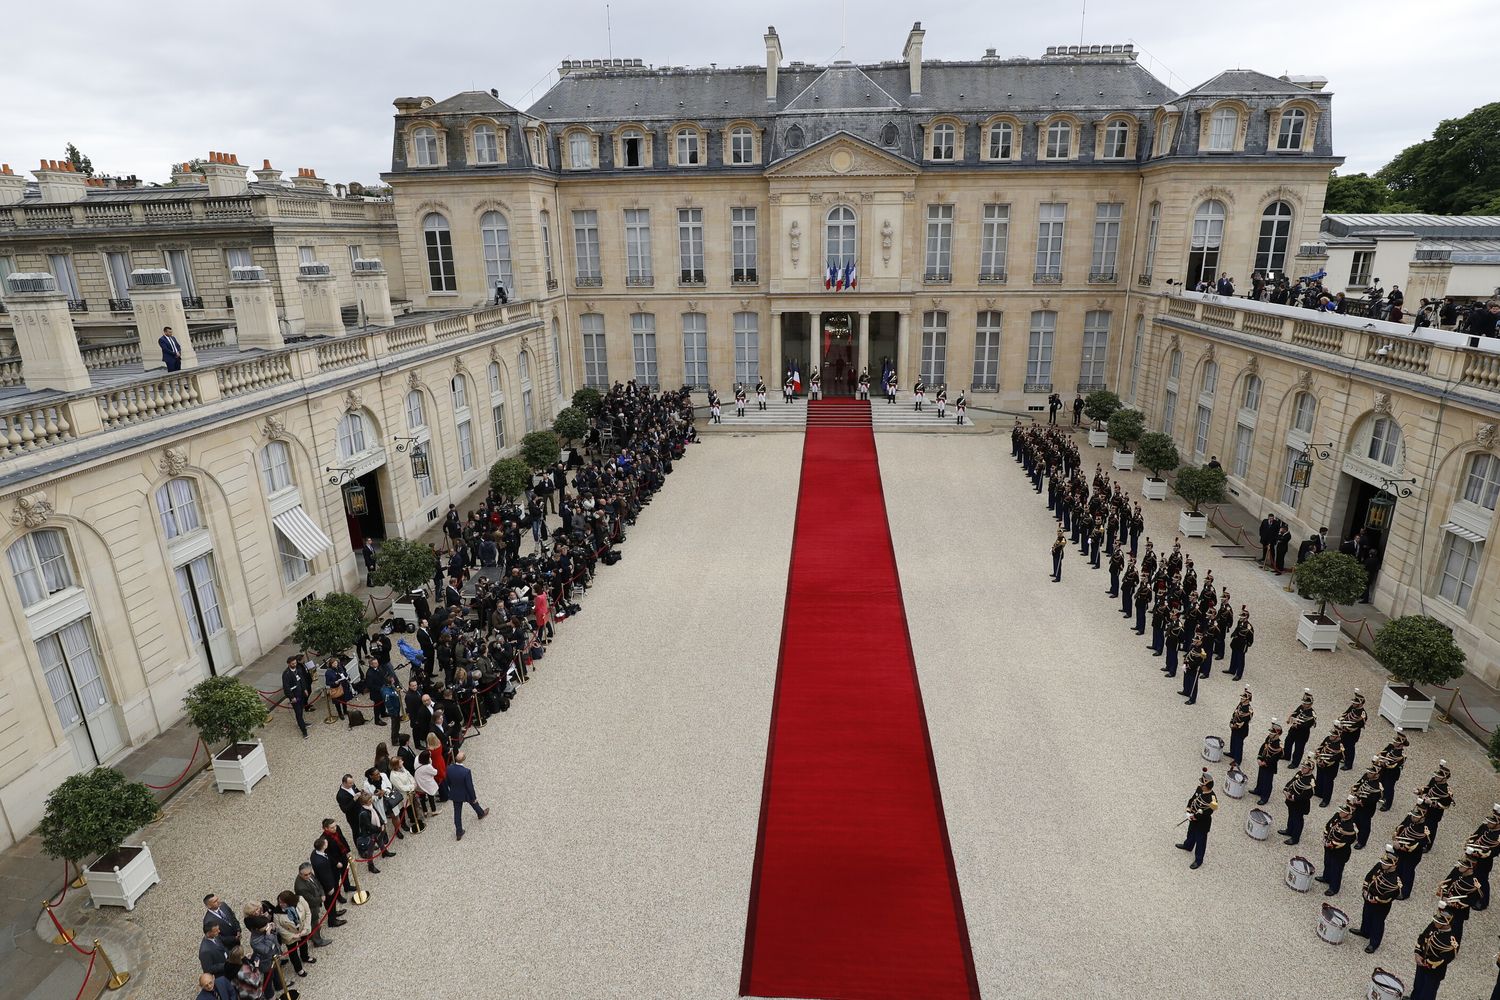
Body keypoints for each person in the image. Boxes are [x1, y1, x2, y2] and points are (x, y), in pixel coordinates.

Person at [1349, 847, 1403, 953]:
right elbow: (1369, 876)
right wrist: (1365, 889)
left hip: (1380, 905)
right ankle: (1364, 931)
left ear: (1393, 865)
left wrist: (1374, 899)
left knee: (1377, 923)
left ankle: (1374, 943)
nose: (1383, 864)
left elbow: (1389, 896)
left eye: (1386, 864)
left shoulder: (1394, 882)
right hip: (1368, 897)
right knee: (1366, 915)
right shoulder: (1380, 866)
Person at [1410, 906, 1459, 1000]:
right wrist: (1417, 953)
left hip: (1433, 971)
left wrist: (1427, 962)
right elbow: (1422, 938)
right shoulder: (1434, 925)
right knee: (1417, 986)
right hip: (1421, 962)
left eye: (1439, 922)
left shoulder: (1450, 942)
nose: (1435, 922)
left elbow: (1443, 959)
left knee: (1427, 994)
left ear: (1447, 924)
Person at [1175, 768, 1218, 870]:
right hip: (1193, 817)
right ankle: (1188, 845)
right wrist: (1188, 810)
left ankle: (1198, 860)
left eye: (1202, 785)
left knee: (1200, 841)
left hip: (1202, 822)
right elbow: (1192, 799)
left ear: (1207, 786)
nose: (1200, 785)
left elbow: (1207, 813)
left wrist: (1195, 816)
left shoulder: (1212, 799)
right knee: (1191, 832)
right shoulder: (1199, 789)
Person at [1316, 799, 1359, 896]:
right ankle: (1326, 877)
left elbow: (1346, 841)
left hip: (1340, 852)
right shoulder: (1337, 816)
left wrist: (1331, 844)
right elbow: (1328, 825)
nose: (1341, 812)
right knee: (1327, 862)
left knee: (1336, 869)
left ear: (1349, 815)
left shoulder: (1350, 827)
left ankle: (1334, 888)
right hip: (1328, 845)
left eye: (1343, 812)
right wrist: (1325, 837)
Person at [445, 749, 489, 840]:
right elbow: (470, 786)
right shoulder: (466, 771)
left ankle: (459, 832)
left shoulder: (449, 768)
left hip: (455, 793)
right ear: (464, 759)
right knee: (473, 802)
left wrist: (452, 789)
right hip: (465, 792)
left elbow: (448, 781)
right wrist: (474, 797)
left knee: (457, 813)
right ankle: (480, 813)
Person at [273, 890, 314, 977]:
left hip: (302, 929)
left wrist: (305, 929)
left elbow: (307, 913)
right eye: (279, 902)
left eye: (283, 903)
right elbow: (279, 927)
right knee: (293, 952)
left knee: (304, 944)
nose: (280, 904)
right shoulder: (277, 913)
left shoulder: (300, 900)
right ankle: (298, 969)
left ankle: (305, 956)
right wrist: (292, 936)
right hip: (290, 935)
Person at [293, 863, 332, 947]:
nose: (309, 876)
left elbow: (317, 883)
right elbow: (310, 900)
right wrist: (320, 899)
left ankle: (312, 935)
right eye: (306, 875)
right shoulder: (300, 887)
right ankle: (318, 941)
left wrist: (322, 893)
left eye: (310, 873)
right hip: (310, 907)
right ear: (300, 874)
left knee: (314, 923)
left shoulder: (309, 874)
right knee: (314, 923)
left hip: (316, 901)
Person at [1252, 719, 1284, 805]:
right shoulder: (1269, 739)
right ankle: (1258, 790)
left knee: (1267, 782)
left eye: (1272, 733)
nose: (1270, 734)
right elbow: (1263, 747)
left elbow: (1275, 758)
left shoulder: (1278, 745)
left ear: (1277, 734)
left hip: (1270, 766)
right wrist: (1259, 758)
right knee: (1261, 778)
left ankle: (1264, 797)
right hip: (1262, 761)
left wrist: (1265, 762)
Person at [281, 655, 309, 739]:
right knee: (298, 712)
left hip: (301, 694)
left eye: (295, 663)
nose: (295, 664)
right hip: (295, 696)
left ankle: (302, 723)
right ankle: (303, 730)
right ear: (289, 664)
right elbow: (286, 687)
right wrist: (291, 697)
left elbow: (302, 680)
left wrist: (305, 689)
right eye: (293, 663)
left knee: (301, 709)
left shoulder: (298, 670)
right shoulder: (286, 674)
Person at [1227, 688, 1253, 767]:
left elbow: (1242, 721)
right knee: (1233, 740)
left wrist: (1234, 725)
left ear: (1247, 700)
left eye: (1243, 698)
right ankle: (1232, 753)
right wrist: (1231, 722)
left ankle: (1238, 760)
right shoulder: (1241, 704)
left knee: (1239, 744)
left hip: (1241, 729)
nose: (1241, 699)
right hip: (1235, 727)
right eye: (1241, 698)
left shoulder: (1248, 710)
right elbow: (1235, 713)